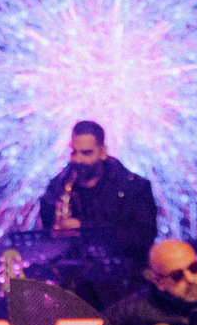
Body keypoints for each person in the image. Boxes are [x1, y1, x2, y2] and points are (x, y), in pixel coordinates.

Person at [35, 121, 157, 300]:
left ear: (103, 151)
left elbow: (143, 236)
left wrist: (82, 228)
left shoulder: (134, 187)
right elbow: (46, 236)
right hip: (73, 286)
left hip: (123, 286)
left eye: (86, 153)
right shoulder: (58, 185)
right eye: (73, 152)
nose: (78, 160)